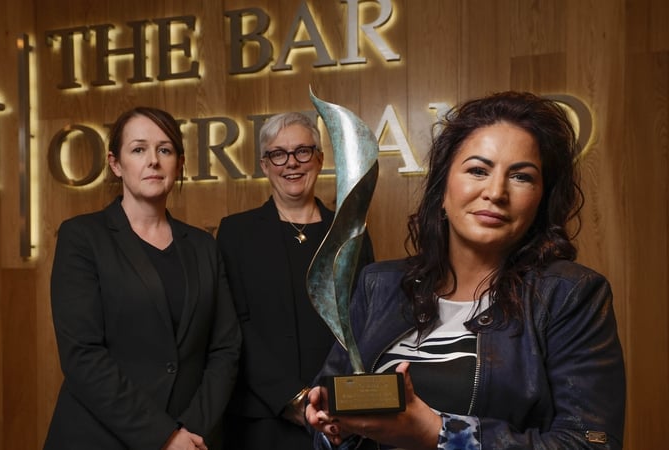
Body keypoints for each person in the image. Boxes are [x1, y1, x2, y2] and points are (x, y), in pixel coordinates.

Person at [305, 91, 626, 449]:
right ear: (443, 189)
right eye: (478, 170)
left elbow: (590, 443)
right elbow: (326, 416)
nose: (496, 192)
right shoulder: (379, 285)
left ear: (541, 198)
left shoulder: (569, 295)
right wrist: (334, 429)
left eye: (521, 177)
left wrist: (438, 433)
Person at [44, 106, 241, 450]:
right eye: (138, 149)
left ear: (179, 163)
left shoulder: (203, 246)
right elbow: (82, 355)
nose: (153, 161)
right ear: (116, 164)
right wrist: (164, 437)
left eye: (164, 150)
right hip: (99, 438)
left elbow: (226, 347)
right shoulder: (83, 237)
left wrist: (190, 431)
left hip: (191, 438)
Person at [217, 111, 374, 450]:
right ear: (265, 165)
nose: (291, 163)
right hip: (261, 420)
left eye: (302, 151)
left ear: (319, 159)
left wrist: (330, 403)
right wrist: (295, 399)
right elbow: (233, 326)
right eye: (278, 154)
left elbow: (363, 323)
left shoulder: (351, 234)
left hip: (338, 417)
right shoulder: (235, 233)